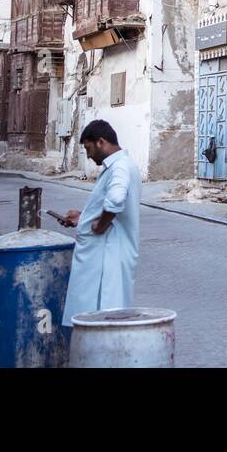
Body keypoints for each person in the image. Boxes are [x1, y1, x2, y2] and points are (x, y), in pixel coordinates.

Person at [58, 120, 141, 334]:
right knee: (96, 315)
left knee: (104, 315)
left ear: (101, 142)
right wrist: (84, 217)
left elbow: (115, 200)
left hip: (107, 255)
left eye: (88, 148)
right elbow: (107, 202)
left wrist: (101, 225)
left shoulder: (120, 166)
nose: (88, 155)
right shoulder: (119, 165)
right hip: (102, 254)